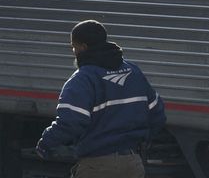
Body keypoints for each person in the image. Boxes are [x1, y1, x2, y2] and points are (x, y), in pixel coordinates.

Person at [37, 20, 166, 178]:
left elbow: (71, 123)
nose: (73, 51)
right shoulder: (133, 71)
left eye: (74, 46)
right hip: (133, 163)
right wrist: (140, 140)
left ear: (83, 47)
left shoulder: (83, 79)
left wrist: (46, 143)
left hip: (98, 165)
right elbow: (157, 113)